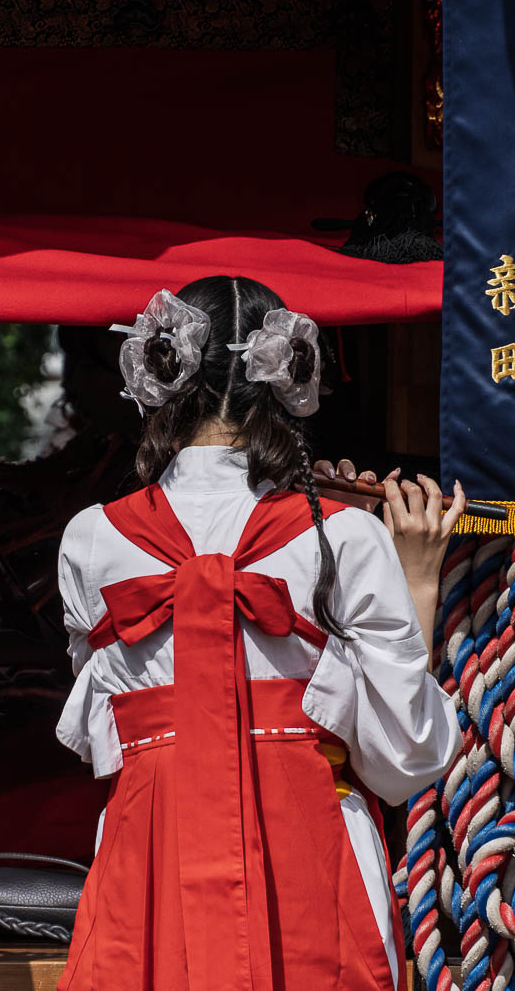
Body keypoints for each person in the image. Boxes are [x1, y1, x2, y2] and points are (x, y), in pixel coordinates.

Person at [54, 279, 463, 990]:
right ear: (288, 380)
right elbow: (405, 756)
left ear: (161, 371)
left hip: (150, 856)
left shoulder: (90, 541)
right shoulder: (345, 535)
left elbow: (105, 738)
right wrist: (419, 575)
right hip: (312, 856)